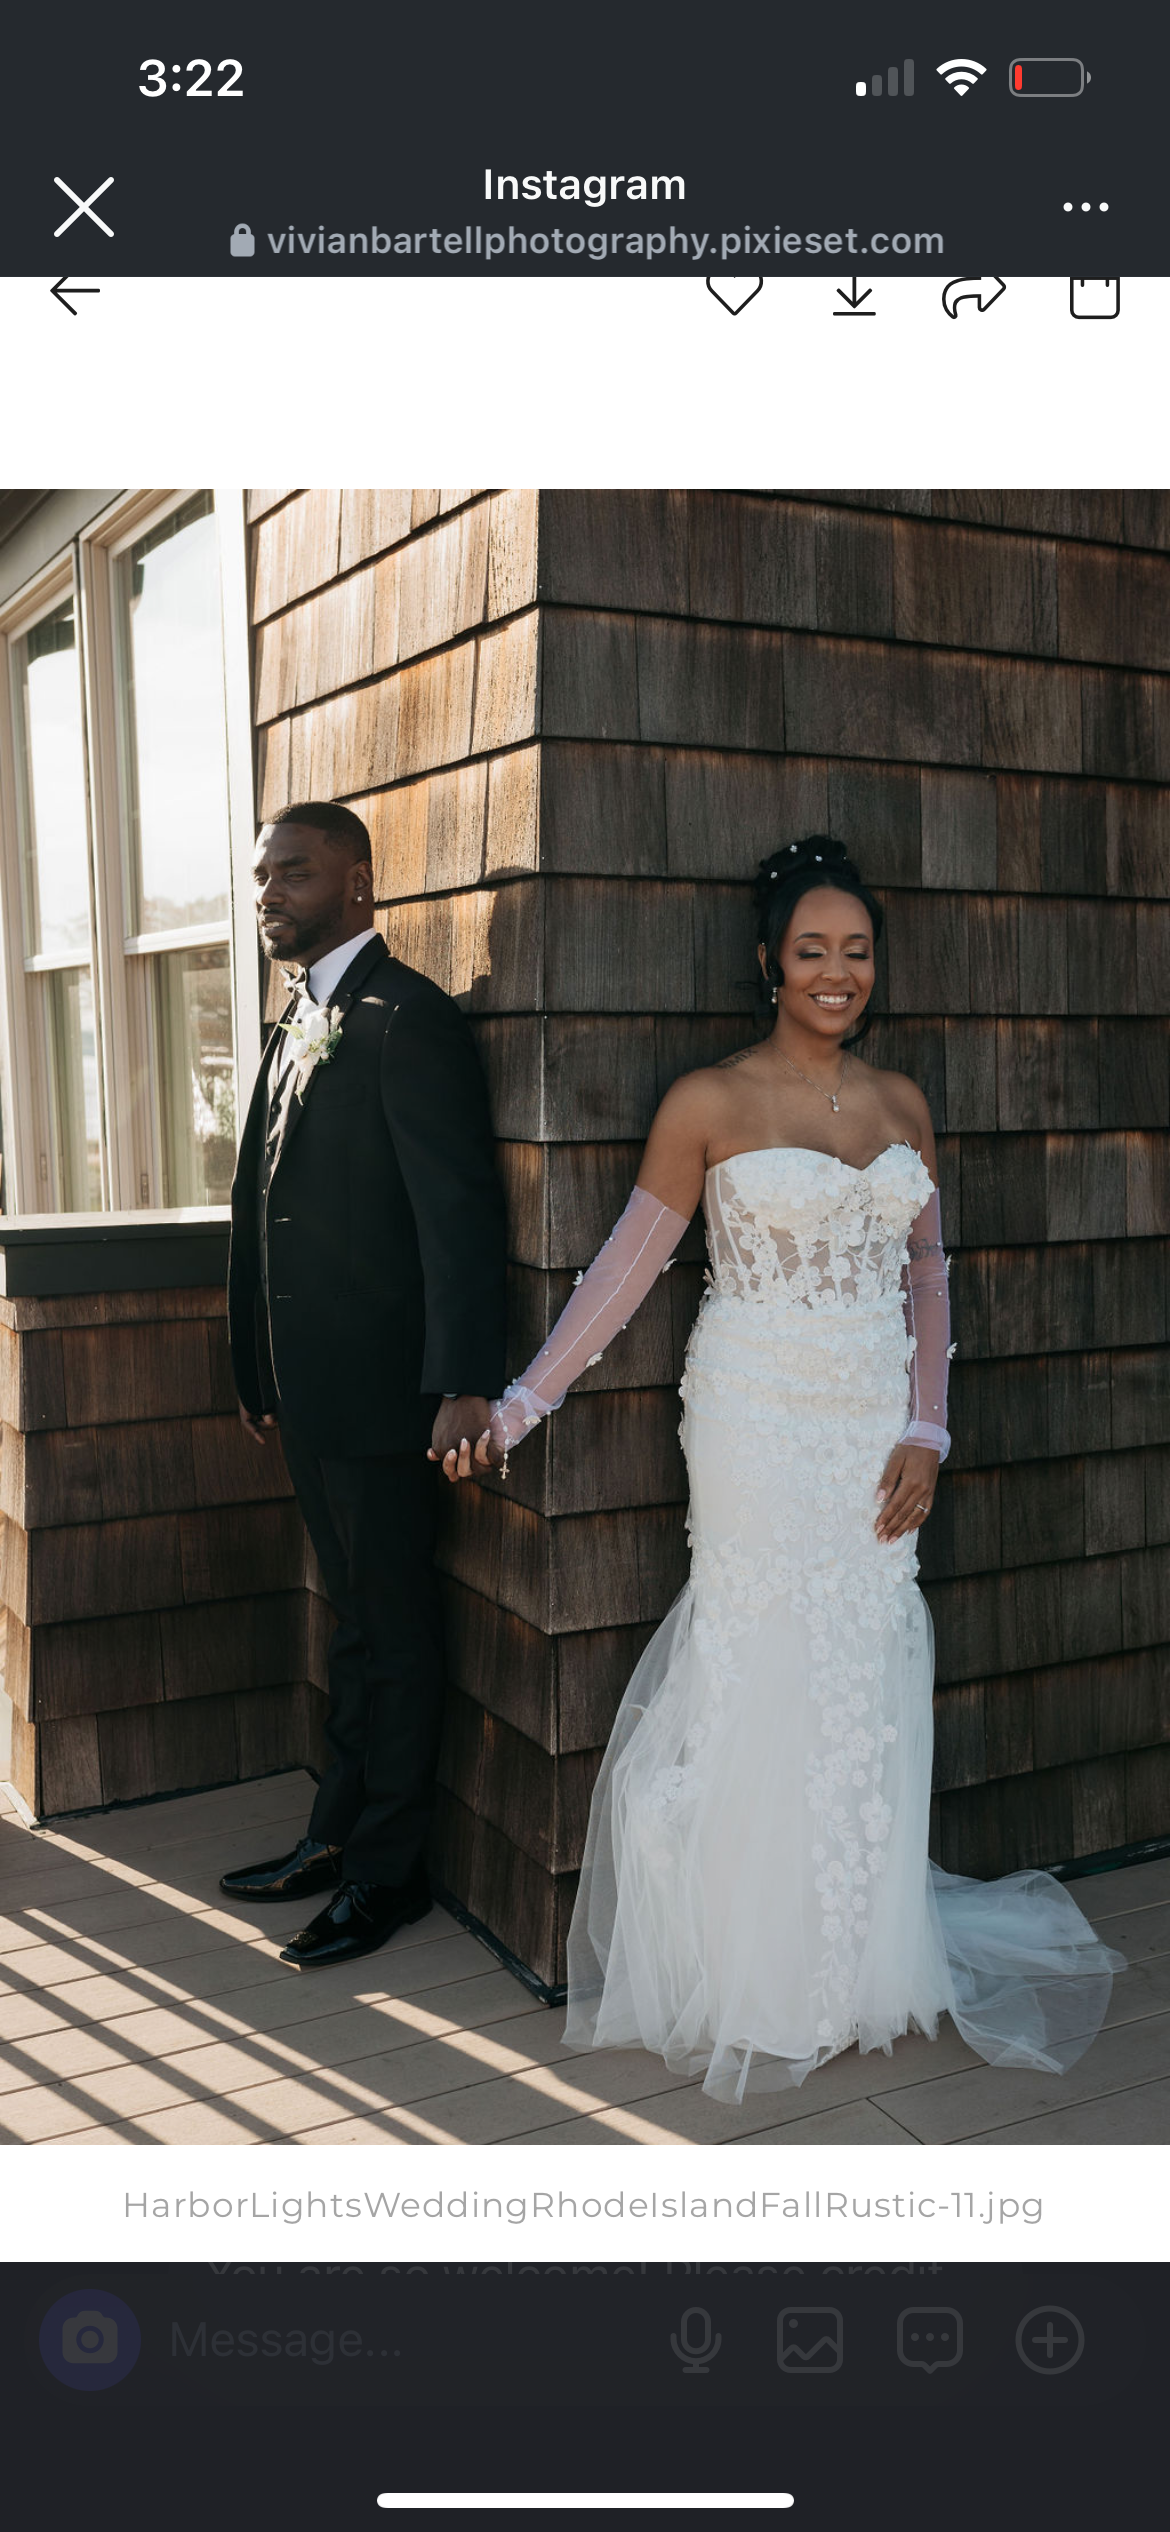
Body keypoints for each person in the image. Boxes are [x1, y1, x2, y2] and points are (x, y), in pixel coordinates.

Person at [449, 836, 1124, 2103]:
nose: (836, 972)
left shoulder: (901, 1104)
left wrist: (928, 1428)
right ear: (770, 962)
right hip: (754, 1417)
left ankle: (861, 1958)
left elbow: (929, 1282)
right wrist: (524, 1402)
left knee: (863, 1656)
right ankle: (758, 1974)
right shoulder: (707, 1103)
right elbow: (627, 1270)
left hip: (872, 1425)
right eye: (811, 950)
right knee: (759, 1655)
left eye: (856, 952)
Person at [220, 801, 507, 1968]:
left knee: (394, 1630)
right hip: (308, 1395)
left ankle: (389, 1875)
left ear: (358, 884)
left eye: (293, 873)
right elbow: (259, 1207)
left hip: (392, 1400)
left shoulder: (406, 1019)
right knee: (352, 1629)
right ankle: (334, 1837)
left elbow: (457, 1219)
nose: (269, 893)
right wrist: (252, 1361)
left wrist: (463, 1382)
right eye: (260, 877)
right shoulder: (296, 1020)